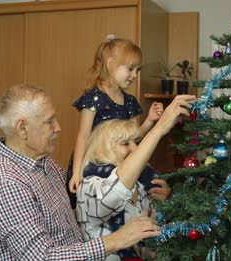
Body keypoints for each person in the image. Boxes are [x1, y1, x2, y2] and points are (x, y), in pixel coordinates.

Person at [0, 84, 187, 261]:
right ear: (22, 128)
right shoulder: (6, 183)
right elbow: (41, 258)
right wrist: (117, 240)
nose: (58, 127)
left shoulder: (44, 164)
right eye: (49, 121)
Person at [67, 37, 165, 207]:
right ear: (111, 63)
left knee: (154, 183)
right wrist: (77, 173)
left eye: (137, 70)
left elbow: (134, 139)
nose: (134, 76)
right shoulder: (94, 98)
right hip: (98, 164)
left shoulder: (130, 101)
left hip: (123, 162)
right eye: (130, 69)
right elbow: (83, 137)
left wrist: (149, 121)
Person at [76, 119, 172, 261]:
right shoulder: (90, 184)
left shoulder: (140, 184)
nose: (135, 149)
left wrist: (165, 203)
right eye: (125, 143)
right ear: (104, 148)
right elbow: (110, 199)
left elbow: (149, 240)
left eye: (136, 142)